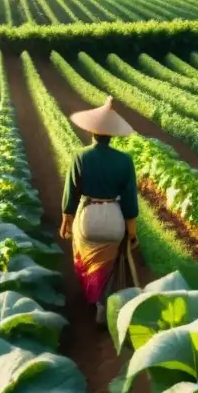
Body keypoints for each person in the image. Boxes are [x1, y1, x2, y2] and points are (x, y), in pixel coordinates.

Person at [60, 97, 140, 324]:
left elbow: (71, 193)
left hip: (88, 218)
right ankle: (104, 303)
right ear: (112, 135)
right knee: (109, 264)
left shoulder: (80, 156)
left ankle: (94, 299)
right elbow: (129, 200)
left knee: (86, 258)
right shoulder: (125, 160)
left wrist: (66, 220)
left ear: (91, 132)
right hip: (114, 219)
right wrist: (131, 232)